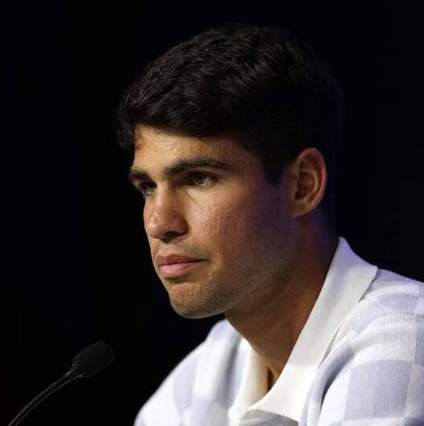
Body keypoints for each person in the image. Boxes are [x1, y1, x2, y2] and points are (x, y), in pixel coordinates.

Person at [117, 23, 424, 425]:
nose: (160, 223)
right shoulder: (212, 369)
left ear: (302, 185)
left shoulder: (404, 338)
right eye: (147, 186)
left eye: (198, 178)